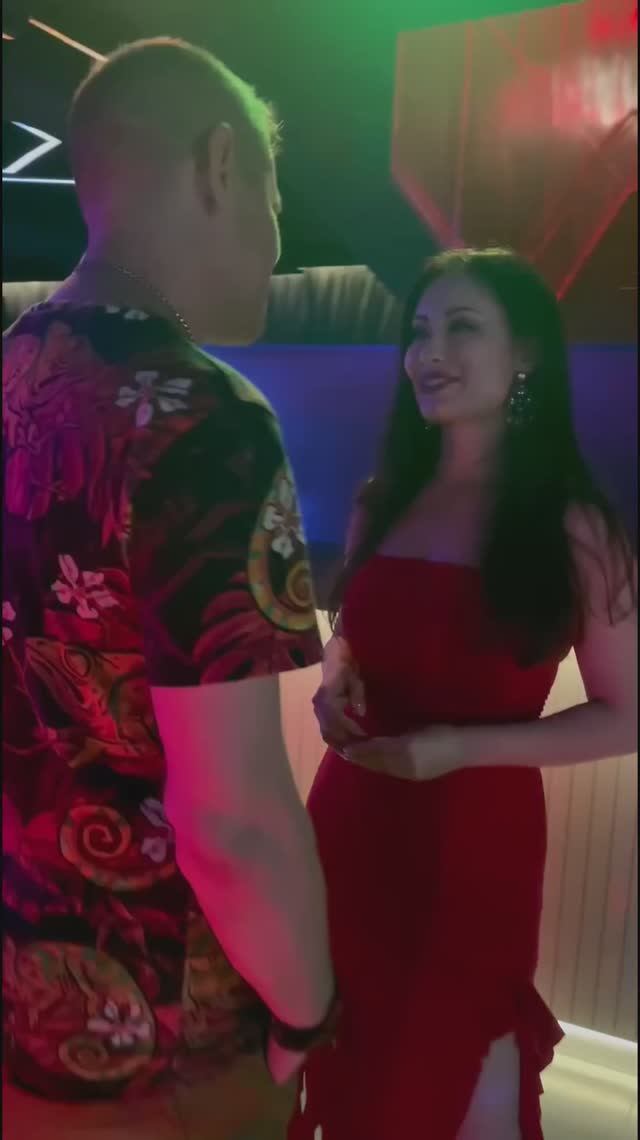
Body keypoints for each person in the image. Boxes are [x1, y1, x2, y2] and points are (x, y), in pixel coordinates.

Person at [2, 38, 339, 1140]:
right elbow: (233, 824)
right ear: (221, 164)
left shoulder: (11, 376)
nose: (278, 244)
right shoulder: (203, 422)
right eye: (276, 201)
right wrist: (307, 1010)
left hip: (21, 1009)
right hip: (162, 1042)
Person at [287, 248, 637, 1140]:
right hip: (349, 816)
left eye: (462, 327)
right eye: (419, 330)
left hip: (471, 839)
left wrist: (459, 748)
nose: (428, 352)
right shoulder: (381, 498)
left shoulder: (573, 524)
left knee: (444, 1072)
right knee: (335, 1052)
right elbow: (352, 634)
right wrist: (333, 683)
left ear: (525, 354)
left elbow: (628, 715)